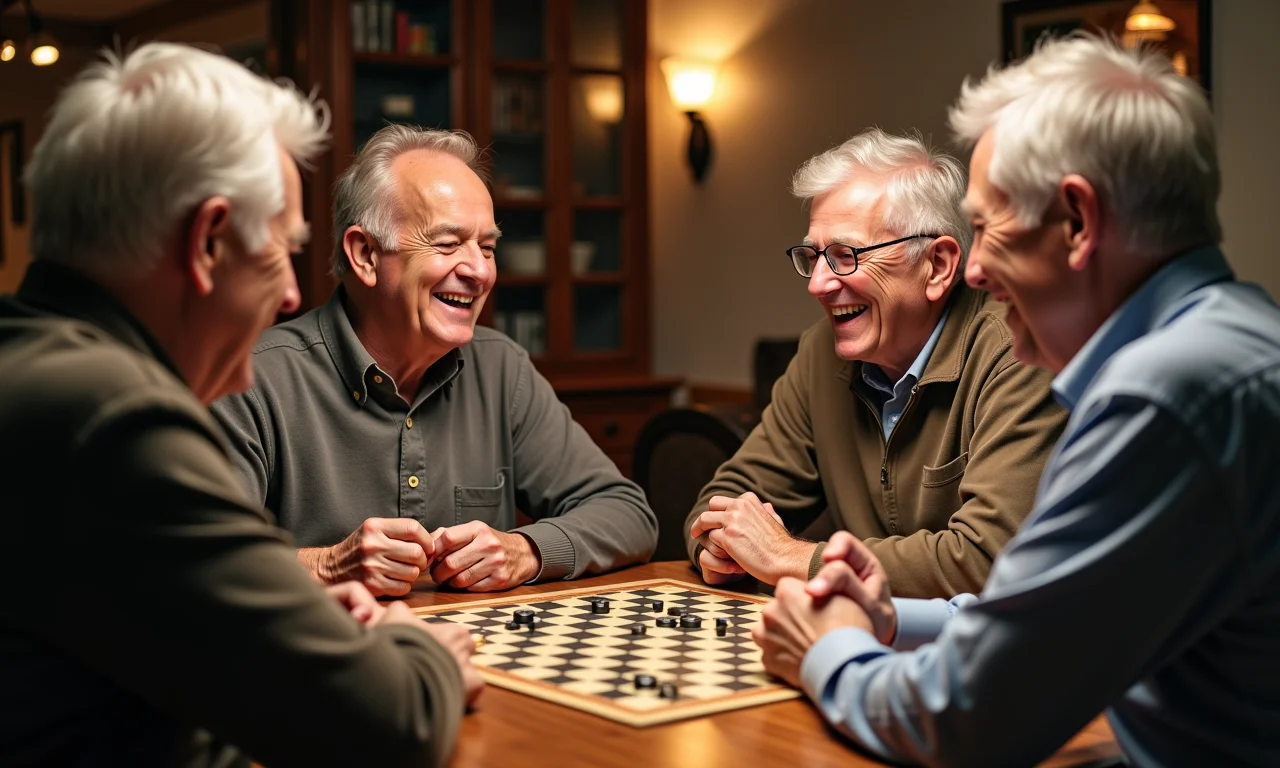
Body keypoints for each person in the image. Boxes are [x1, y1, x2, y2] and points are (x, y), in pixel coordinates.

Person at [753, 34, 1280, 766]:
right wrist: (888, 615)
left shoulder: (1165, 396)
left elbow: (960, 721)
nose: (971, 271)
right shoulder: (1234, 339)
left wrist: (829, 647)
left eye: (989, 228)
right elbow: (1072, 614)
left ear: (1077, 222)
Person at [0, 44, 482, 767]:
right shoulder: (114, 418)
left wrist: (293, 625)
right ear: (209, 241)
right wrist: (413, 646)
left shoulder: (28, 361)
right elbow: (391, 724)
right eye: (279, 251)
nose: (292, 294)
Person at [210, 124, 657, 597]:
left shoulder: (501, 369)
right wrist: (327, 566)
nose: (480, 271)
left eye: (487, 247)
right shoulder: (254, 378)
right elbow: (188, 560)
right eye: (447, 244)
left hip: (479, 662)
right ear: (365, 254)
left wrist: (525, 551)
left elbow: (627, 513)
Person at [685, 128, 1064, 598]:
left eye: (845, 256)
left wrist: (791, 557)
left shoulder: (1019, 352)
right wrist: (719, 546)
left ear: (938, 266)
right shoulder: (820, 353)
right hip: (860, 635)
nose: (818, 284)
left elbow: (990, 559)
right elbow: (724, 496)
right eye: (813, 256)